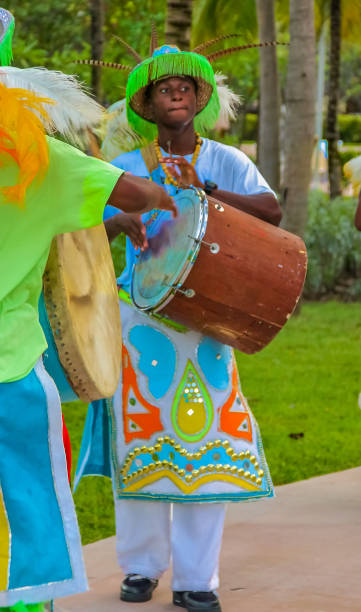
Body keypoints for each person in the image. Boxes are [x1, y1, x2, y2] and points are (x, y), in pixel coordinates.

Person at [76, 40, 282, 612]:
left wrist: (209, 192)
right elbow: (89, 227)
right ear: (146, 102)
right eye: (164, 88)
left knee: (204, 446)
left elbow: (272, 212)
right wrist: (123, 217)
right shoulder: (123, 168)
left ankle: (197, 581)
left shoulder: (225, 159)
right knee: (139, 441)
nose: (175, 94)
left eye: (185, 87)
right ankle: (141, 569)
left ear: (199, 99)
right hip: (139, 323)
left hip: (209, 322)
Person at [0, 11, 176, 612]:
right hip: (10, 368)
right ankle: (25, 600)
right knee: (27, 505)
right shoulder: (40, 159)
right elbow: (135, 194)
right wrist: (153, 193)